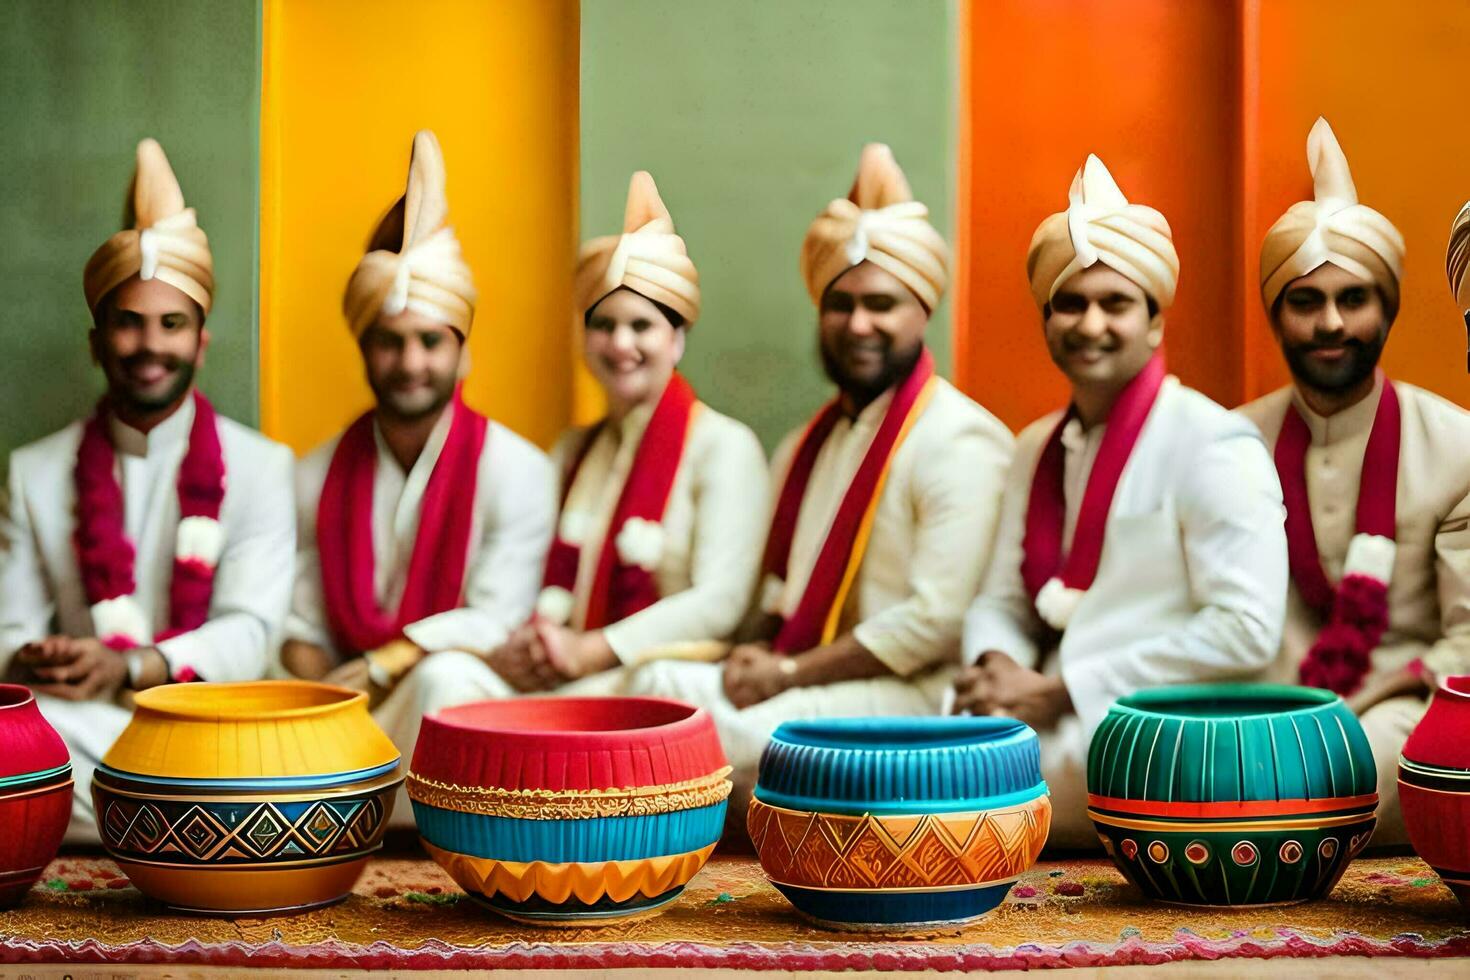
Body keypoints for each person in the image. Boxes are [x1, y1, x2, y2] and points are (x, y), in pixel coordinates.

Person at [631, 144, 1014, 797]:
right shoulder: (809, 444)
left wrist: (786, 675)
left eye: (881, 304)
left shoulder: (960, 438)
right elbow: (779, 590)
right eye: (841, 304)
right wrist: (753, 650)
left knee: (696, 733)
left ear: (923, 310)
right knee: (654, 690)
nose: (859, 323)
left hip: (912, 692)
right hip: (810, 676)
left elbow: (935, 622)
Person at [957, 154, 1288, 847]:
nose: (1089, 324)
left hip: (1157, 729)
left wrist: (1063, 689)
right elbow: (998, 599)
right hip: (1033, 718)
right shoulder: (1033, 447)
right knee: (931, 766)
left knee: (927, 786)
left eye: (1115, 304)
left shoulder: (1211, 440)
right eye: (1069, 304)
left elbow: (1248, 628)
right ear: (1046, 320)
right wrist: (997, 670)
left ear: (1156, 322)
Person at [0, 138, 295, 842]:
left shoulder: (261, 467)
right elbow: (9, 632)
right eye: (128, 323)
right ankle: (180, 832)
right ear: (96, 341)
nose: (149, 346)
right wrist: (43, 657)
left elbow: (252, 634)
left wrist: (131, 663)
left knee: (254, 761)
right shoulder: (35, 472)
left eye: (172, 325)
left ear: (201, 341)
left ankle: (120, 822)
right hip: (86, 724)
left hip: (214, 734)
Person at [279, 131, 554, 782]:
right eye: (390, 343)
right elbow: (299, 622)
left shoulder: (517, 469)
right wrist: (329, 693)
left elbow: (493, 620)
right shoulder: (313, 473)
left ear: (463, 352)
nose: (411, 364)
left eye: (431, 342)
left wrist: (386, 663)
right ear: (364, 349)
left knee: (446, 677)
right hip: (341, 704)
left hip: (451, 705)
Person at [1239, 118, 1470, 843]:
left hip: (1401, 703)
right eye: (1305, 302)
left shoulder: (1456, 444)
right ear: (1276, 315)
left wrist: (1385, 687)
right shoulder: (1230, 444)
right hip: (1258, 707)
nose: (1331, 323)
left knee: (1361, 770)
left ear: (1388, 309)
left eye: (1354, 299)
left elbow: (1467, 639)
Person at [464, 171, 768, 696]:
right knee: (452, 681)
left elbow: (721, 601)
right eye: (603, 325)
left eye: (641, 326)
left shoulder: (723, 447)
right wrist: (536, 642)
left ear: (676, 340)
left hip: (650, 678)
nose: (620, 343)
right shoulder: (573, 451)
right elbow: (534, 579)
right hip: (562, 672)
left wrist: (595, 651)